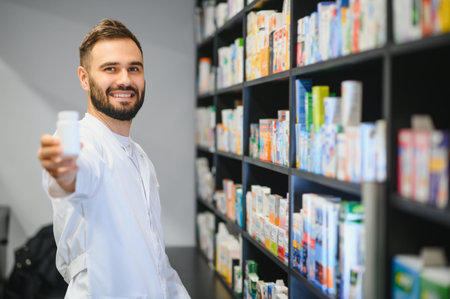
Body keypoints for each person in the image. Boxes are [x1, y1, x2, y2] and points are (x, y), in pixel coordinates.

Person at [37, 19, 190, 298]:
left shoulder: (140, 158)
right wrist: (64, 174)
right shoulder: (80, 142)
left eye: (134, 68)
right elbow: (74, 175)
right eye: (110, 68)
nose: (125, 79)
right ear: (84, 78)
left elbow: (157, 264)